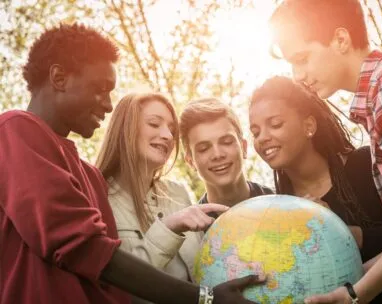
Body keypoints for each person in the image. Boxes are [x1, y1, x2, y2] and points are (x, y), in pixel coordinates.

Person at [0, 22, 264, 304]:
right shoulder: (15, 130)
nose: (108, 104)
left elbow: (109, 282)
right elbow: (86, 249)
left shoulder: (90, 176)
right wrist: (205, 299)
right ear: (59, 77)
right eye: (100, 89)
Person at [269, 1, 382, 303]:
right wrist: (346, 285)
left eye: (303, 59)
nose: (297, 75)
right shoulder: (379, 95)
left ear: (341, 40)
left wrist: (357, 294)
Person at [249, 76, 382, 304]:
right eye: (255, 132)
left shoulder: (367, 165)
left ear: (309, 126)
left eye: (275, 124)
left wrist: (334, 228)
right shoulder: (278, 209)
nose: (263, 138)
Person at [95, 92, 227, 289]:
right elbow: (119, 286)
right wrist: (169, 227)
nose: (167, 135)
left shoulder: (178, 192)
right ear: (126, 128)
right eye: (154, 124)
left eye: (172, 130)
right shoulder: (98, 198)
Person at [179, 98, 273, 216]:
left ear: (243, 147)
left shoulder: (282, 205)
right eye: (204, 148)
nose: (217, 155)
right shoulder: (192, 232)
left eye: (227, 142)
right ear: (190, 161)